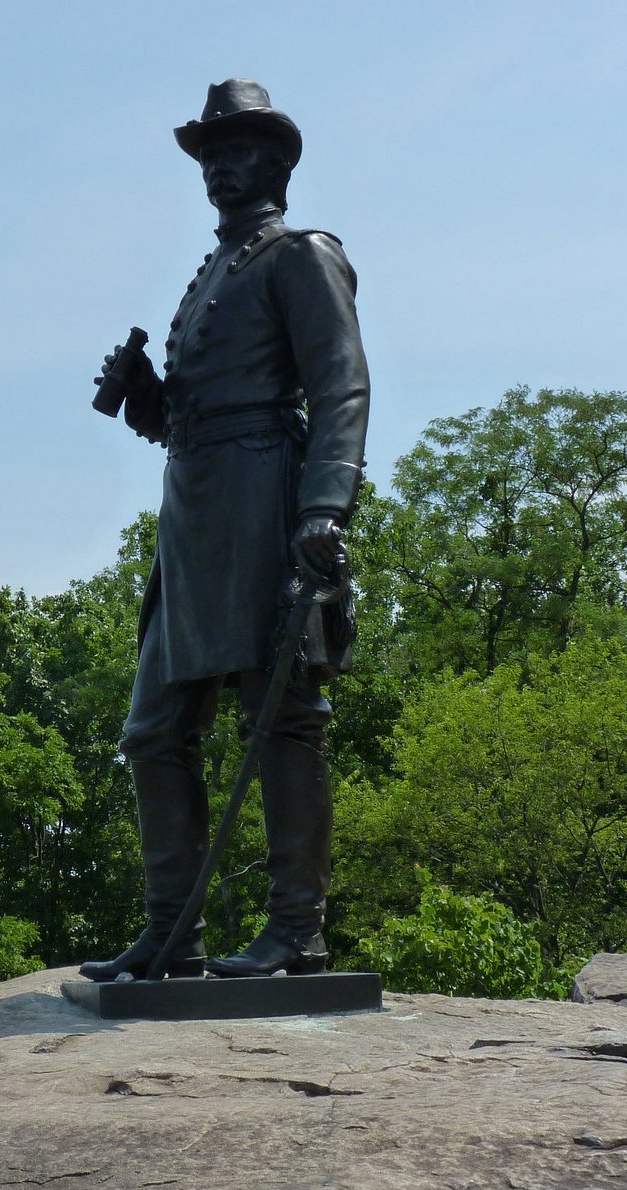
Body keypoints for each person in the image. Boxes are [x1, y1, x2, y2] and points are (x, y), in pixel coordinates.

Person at [80, 79, 370, 981]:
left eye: (239, 150)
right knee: (154, 731)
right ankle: (174, 929)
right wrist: (151, 404)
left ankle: (297, 929)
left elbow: (340, 387)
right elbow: (196, 416)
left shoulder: (300, 255)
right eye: (210, 154)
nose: (221, 166)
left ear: (278, 162)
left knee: (282, 717)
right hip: (195, 508)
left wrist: (323, 508)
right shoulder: (215, 268)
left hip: (264, 497)